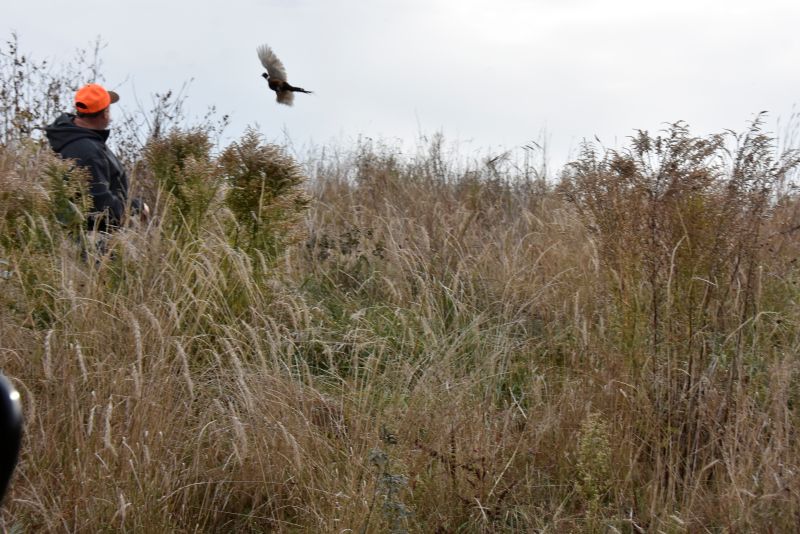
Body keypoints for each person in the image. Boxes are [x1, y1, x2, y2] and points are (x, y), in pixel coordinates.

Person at [45, 83, 149, 232]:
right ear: (105, 113)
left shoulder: (67, 137)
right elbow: (101, 209)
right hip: (91, 240)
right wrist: (136, 207)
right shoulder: (89, 152)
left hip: (68, 234)